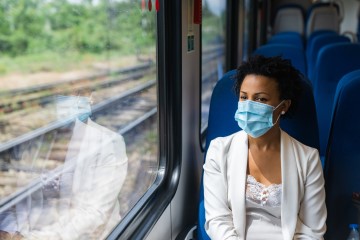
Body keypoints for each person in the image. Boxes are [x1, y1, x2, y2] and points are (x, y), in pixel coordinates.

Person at [203, 55, 326, 240]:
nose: (249, 106)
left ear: (283, 106)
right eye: (244, 97)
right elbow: (217, 220)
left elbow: (312, 231)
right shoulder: (219, 150)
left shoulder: (308, 159)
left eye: (260, 99)